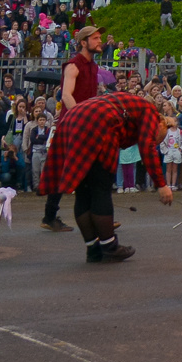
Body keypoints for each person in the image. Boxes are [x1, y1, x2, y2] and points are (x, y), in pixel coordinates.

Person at [39, 92, 173, 264]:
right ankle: (109, 247)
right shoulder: (151, 113)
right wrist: (161, 185)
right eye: (158, 138)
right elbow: (147, 147)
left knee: (84, 191)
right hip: (97, 121)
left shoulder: (131, 105)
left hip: (73, 118)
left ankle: (93, 249)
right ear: (162, 122)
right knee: (100, 188)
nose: (155, 141)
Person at [42, 23, 105, 231]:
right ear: (83, 43)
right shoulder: (73, 65)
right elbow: (67, 95)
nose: (100, 41)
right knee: (63, 170)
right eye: (95, 38)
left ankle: (99, 214)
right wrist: (81, 117)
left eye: (99, 38)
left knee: (91, 169)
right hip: (73, 124)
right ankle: (50, 217)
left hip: (86, 123)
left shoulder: (93, 66)